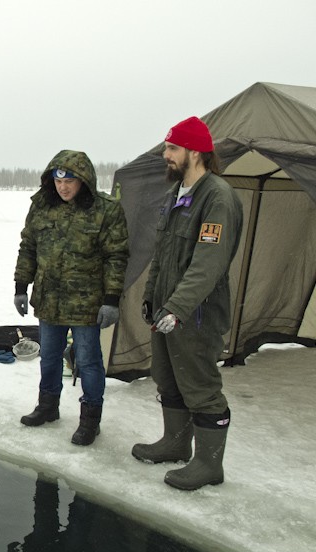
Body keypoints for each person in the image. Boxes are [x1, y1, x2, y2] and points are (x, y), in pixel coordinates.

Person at [132, 117, 242, 491]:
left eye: (172, 149)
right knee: (168, 378)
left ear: (195, 152)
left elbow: (207, 265)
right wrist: (151, 298)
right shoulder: (176, 194)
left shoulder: (217, 197)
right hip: (167, 311)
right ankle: (175, 444)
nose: (166, 155)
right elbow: (161, 255)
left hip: (195, 315)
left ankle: (209, 465)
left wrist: (177, 308)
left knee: (201, 386)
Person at [14, 150, 129, 446]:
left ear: (84, 180)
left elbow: (116, 256)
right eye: (58, 179)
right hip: (49, 299)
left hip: (87, 303)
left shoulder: (106, 209)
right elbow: (28, 247)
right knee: (50, 357)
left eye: (70, 180)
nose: (63, 187)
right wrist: (20, 285)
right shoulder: (41, 207)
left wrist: (112, 299)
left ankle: (90, 421)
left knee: (89, 362)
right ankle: (47, 407)